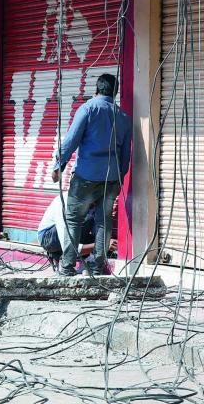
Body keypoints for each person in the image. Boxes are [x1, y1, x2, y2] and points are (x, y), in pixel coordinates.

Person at [52, 73, 132, 276]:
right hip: (111, 179)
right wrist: (119, 179)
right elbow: (125, 156)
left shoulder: (88, 109)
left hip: (86, 177)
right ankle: (97, 267)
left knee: (73, 220)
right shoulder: (123, 118)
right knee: (103, 221)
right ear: (115, 92)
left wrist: (58, 165)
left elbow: (71, 140)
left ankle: (67, 267)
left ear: (96, 90)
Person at [37, 193, 116, 274]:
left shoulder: (90, 204)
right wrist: (103, 245)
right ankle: (61, 260)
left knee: (95, 228)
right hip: (48, 238)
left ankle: (88, 261)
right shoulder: (66, 202)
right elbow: (69, 246)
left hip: (68, 237)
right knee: (84, 220)